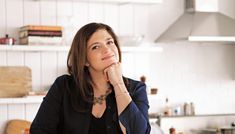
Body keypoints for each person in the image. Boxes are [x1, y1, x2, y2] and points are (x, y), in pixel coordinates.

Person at [30, 22, 151, 134]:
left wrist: (118, 83)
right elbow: (39, 131)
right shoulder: (63, 86)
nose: (107, 49)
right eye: (95, 47)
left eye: (109, 42)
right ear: (85, 60)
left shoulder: (136, 89)